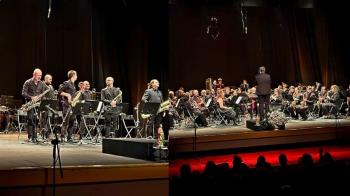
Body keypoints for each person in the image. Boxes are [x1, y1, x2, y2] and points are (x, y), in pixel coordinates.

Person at [22, 68, 49, 143]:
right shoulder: (28, 82)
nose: (40, 77)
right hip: (30, 104)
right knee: (30, 119)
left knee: (37, 120)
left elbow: (44, 93)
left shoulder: (42, 83)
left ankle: (35, 136)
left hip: (38, 104)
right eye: (38, 75)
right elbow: (23, 93)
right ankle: (30, 136)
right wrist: (31, 97)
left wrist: (42, 99)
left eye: (41, 75)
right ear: (34, 74)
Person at [141, 79, 170, 146]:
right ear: (152, 84)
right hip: (152, 110)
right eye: (156, 82)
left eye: (158, 82)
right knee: (150, 123)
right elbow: (143, 99)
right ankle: (149, 136)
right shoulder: (148, 91)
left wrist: (164, 110)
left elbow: (162, 102)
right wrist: (149, 105)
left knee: (158, 124)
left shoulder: (160, 92)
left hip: (159, 110)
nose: (158, 83)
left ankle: (156, 137)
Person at [58, 70, 78, 142]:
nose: (77, 76)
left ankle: (69, 137)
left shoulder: (73, 84)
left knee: (72, 122)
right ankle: (63, 137)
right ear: (73, 76)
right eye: (76, 75)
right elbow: (59, 91)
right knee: (65, 122)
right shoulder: (67, 83)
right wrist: (67, 95)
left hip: (72, 105)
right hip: (66, 105)